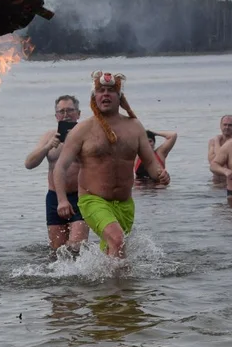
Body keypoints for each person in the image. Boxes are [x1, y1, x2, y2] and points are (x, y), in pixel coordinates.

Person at [52, 71, 168, 258]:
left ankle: (110, 286)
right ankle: (118, 285)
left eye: (111, 91)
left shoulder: (134, 126)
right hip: (93, 200)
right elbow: (60, 168)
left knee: (113, 252)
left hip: (125, 204)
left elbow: (151, 164)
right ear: (94, 97)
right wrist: (62, 200)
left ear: (119, 97)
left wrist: (161, 174)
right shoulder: (82, 130)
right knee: (117, 239)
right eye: (100, 90)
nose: (105, 94)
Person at [25, 94, 89, 251]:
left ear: (78, 114)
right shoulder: (49, 136)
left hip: (80, 196)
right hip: (54, 197)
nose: (66, 115)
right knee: (57, 251)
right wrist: (47, 146)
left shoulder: (87, 135)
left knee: (76, 247)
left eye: (70, 110)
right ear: (56, 116)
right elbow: (29, 164)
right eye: (62, 111)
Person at [207, 115, 232, 181]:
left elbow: (221, 159)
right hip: (216, 181)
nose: (227, 127)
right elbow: (212, 162)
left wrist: (217, 140)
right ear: (220, 125)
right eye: (225, 124)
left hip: (230, 181)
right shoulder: (212, 142)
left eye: (230, 125)